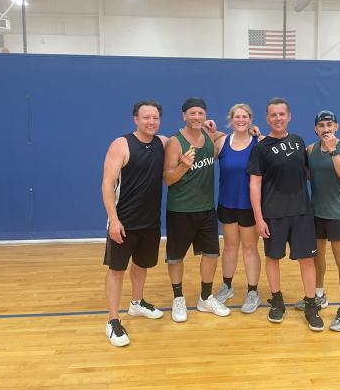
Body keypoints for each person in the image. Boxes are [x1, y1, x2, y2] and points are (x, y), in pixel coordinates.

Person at [247, 97, 324, 331]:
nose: (278, 118)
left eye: (282, 114)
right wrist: (259, 218)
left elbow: (311, 173)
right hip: (274, 213)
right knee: (273, 258)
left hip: (301, 212)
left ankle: (311, 304)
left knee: (307, 260)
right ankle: (277, 301)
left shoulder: (299, 142)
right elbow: (255, 185)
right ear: (267, 118)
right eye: (273, 115)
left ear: (289, 116)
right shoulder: (261, 147)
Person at [102, 100, 168, 347]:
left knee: (141, 265)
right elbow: (108, 183)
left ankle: (137, 303)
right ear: (135, 119)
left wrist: (212, 128)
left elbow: (190, 136)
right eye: (146, 117)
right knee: (117, 270)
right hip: (124, 221)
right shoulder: (121, 145)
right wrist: (114, 220)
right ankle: (112, 320)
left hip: (150, 221)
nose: (151, 122)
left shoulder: (162, 143)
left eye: (155, 118)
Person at [164, 97, 231, 322]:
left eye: (200, 113)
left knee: (211, 254)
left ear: (205, 116)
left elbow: (226, 137)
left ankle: (205, 297)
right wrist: (183, 165)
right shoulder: (176, 142)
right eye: (192, 113)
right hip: (180, 210)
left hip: (206, 209)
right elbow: (168, 179)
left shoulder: (210, 138)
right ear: (184, 115)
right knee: (175, 257)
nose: (196, 117)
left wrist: (216, 128)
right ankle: (178, 299)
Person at [303, 110, 340, 332]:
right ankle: (319, 295)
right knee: (318, 258)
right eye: (321, 125)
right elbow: (307, 174)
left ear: (337, 127)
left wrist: (333, 151)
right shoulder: (311, 150)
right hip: (316, 212)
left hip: (338, 214)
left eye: (329, 125)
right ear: (315, 129)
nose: (326, 129)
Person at [214, 104, 262, 314]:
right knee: (230, 247)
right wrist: (210, 129)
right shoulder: (222, 142)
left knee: (250, 249)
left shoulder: (259, 142)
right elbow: (202, 148)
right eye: (237, 117)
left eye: (244, 117)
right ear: (231, 120)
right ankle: (227, 286)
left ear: (250, 120)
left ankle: (253, 292)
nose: (241, 120)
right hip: (227, 204)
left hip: (250, 206)